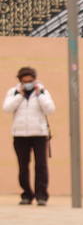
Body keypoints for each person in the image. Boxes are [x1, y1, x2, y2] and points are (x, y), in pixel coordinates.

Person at [3, 66, 56, 206]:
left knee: (41, 166)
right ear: (20, 81)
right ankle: (26, 194)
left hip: (39, 134)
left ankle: (41, 196)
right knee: (23, 166)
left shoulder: (43, 91)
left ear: (34, 79)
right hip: (20, 135)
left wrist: (40, 95)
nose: (28, 83)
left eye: (30, 81)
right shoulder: (13, 92)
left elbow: (50, 109)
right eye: (25, 81)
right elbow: (6, 108)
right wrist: (19, 95)